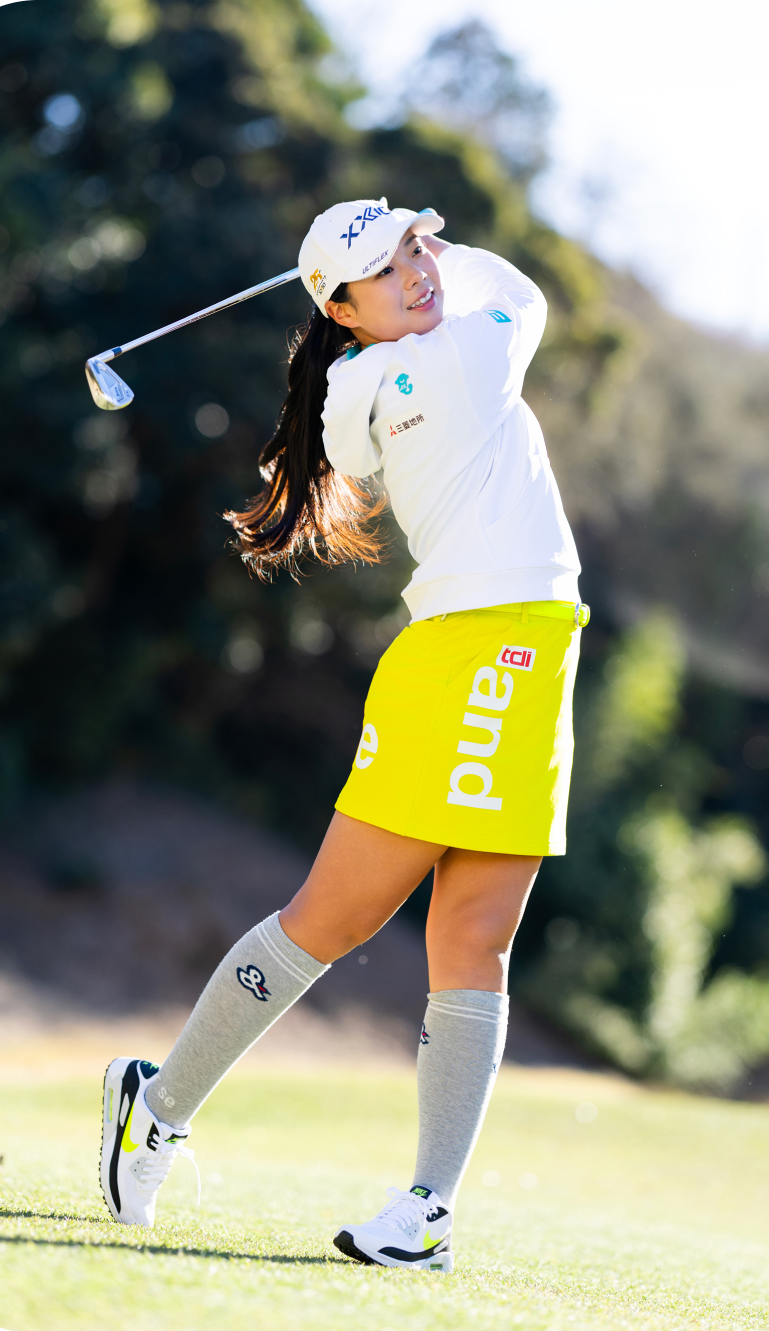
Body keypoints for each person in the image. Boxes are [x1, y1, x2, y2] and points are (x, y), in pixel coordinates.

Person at [100, 198, 586, 1272]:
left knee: (475, 939)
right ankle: (158, 1107)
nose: (419, 270)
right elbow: (522, 292)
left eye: (416, 247)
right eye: (389, 265)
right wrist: (451, 250)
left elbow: (364, 425)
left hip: (527, 650)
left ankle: (426, 1210)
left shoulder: (367, 380)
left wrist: (402, 263)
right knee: (333, 919)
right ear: (341, 308)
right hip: (477, 656)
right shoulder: (457, 357)